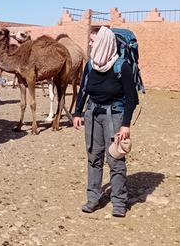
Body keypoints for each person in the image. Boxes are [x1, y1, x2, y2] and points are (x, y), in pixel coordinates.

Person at [73, 26, 138, 217]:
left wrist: (125, 124)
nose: (90, 45)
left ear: (104, 43)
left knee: (115, 159)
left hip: (115, 116)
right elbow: (84, 90)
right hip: (92, 114)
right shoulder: (91, 65)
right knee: (94, 157)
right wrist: (77, 112)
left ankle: (119, 202)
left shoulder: (121, 66)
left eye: (93, 41)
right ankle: (93, 198)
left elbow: (132, 98)